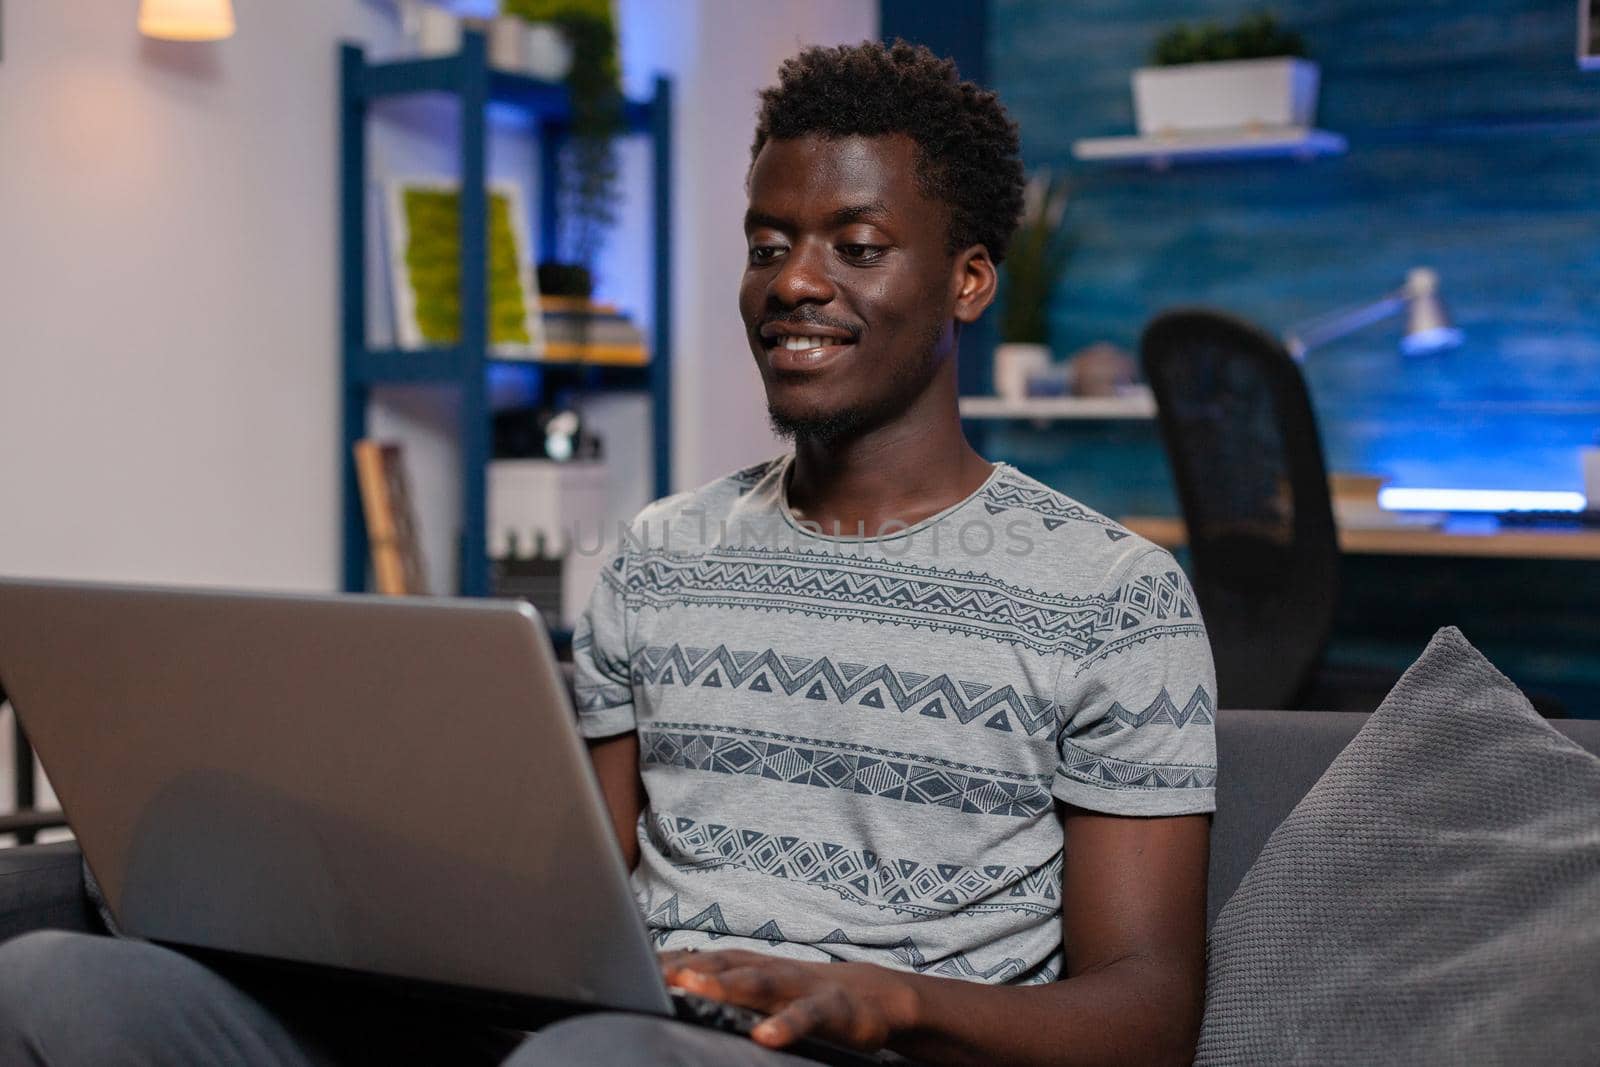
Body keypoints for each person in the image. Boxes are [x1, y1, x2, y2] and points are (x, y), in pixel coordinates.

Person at [0, 40, 1215, 1067]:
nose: (794, 280)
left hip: (845, 1049)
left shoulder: (1110, 594)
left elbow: (1149, 1008)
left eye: (855, 244)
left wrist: (882, 995)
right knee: (59, 984)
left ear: (966, 280)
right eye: (766, 242)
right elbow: (564, 887)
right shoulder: (658, 550)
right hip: (611, 1024)